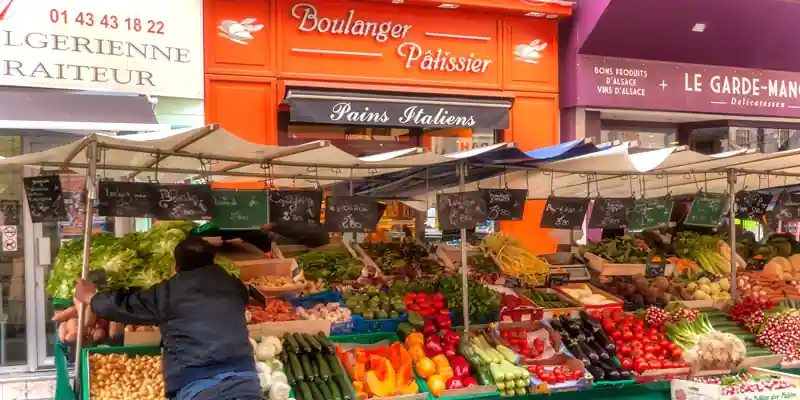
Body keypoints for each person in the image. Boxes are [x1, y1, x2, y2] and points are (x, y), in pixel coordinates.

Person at [55, 236, 260, 400]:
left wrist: (91, 298)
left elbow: (127, 307)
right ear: (213, 261)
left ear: (176, 267)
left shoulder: (168, 292)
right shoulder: (232, 285)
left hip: (198, 385)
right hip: (245, 380)